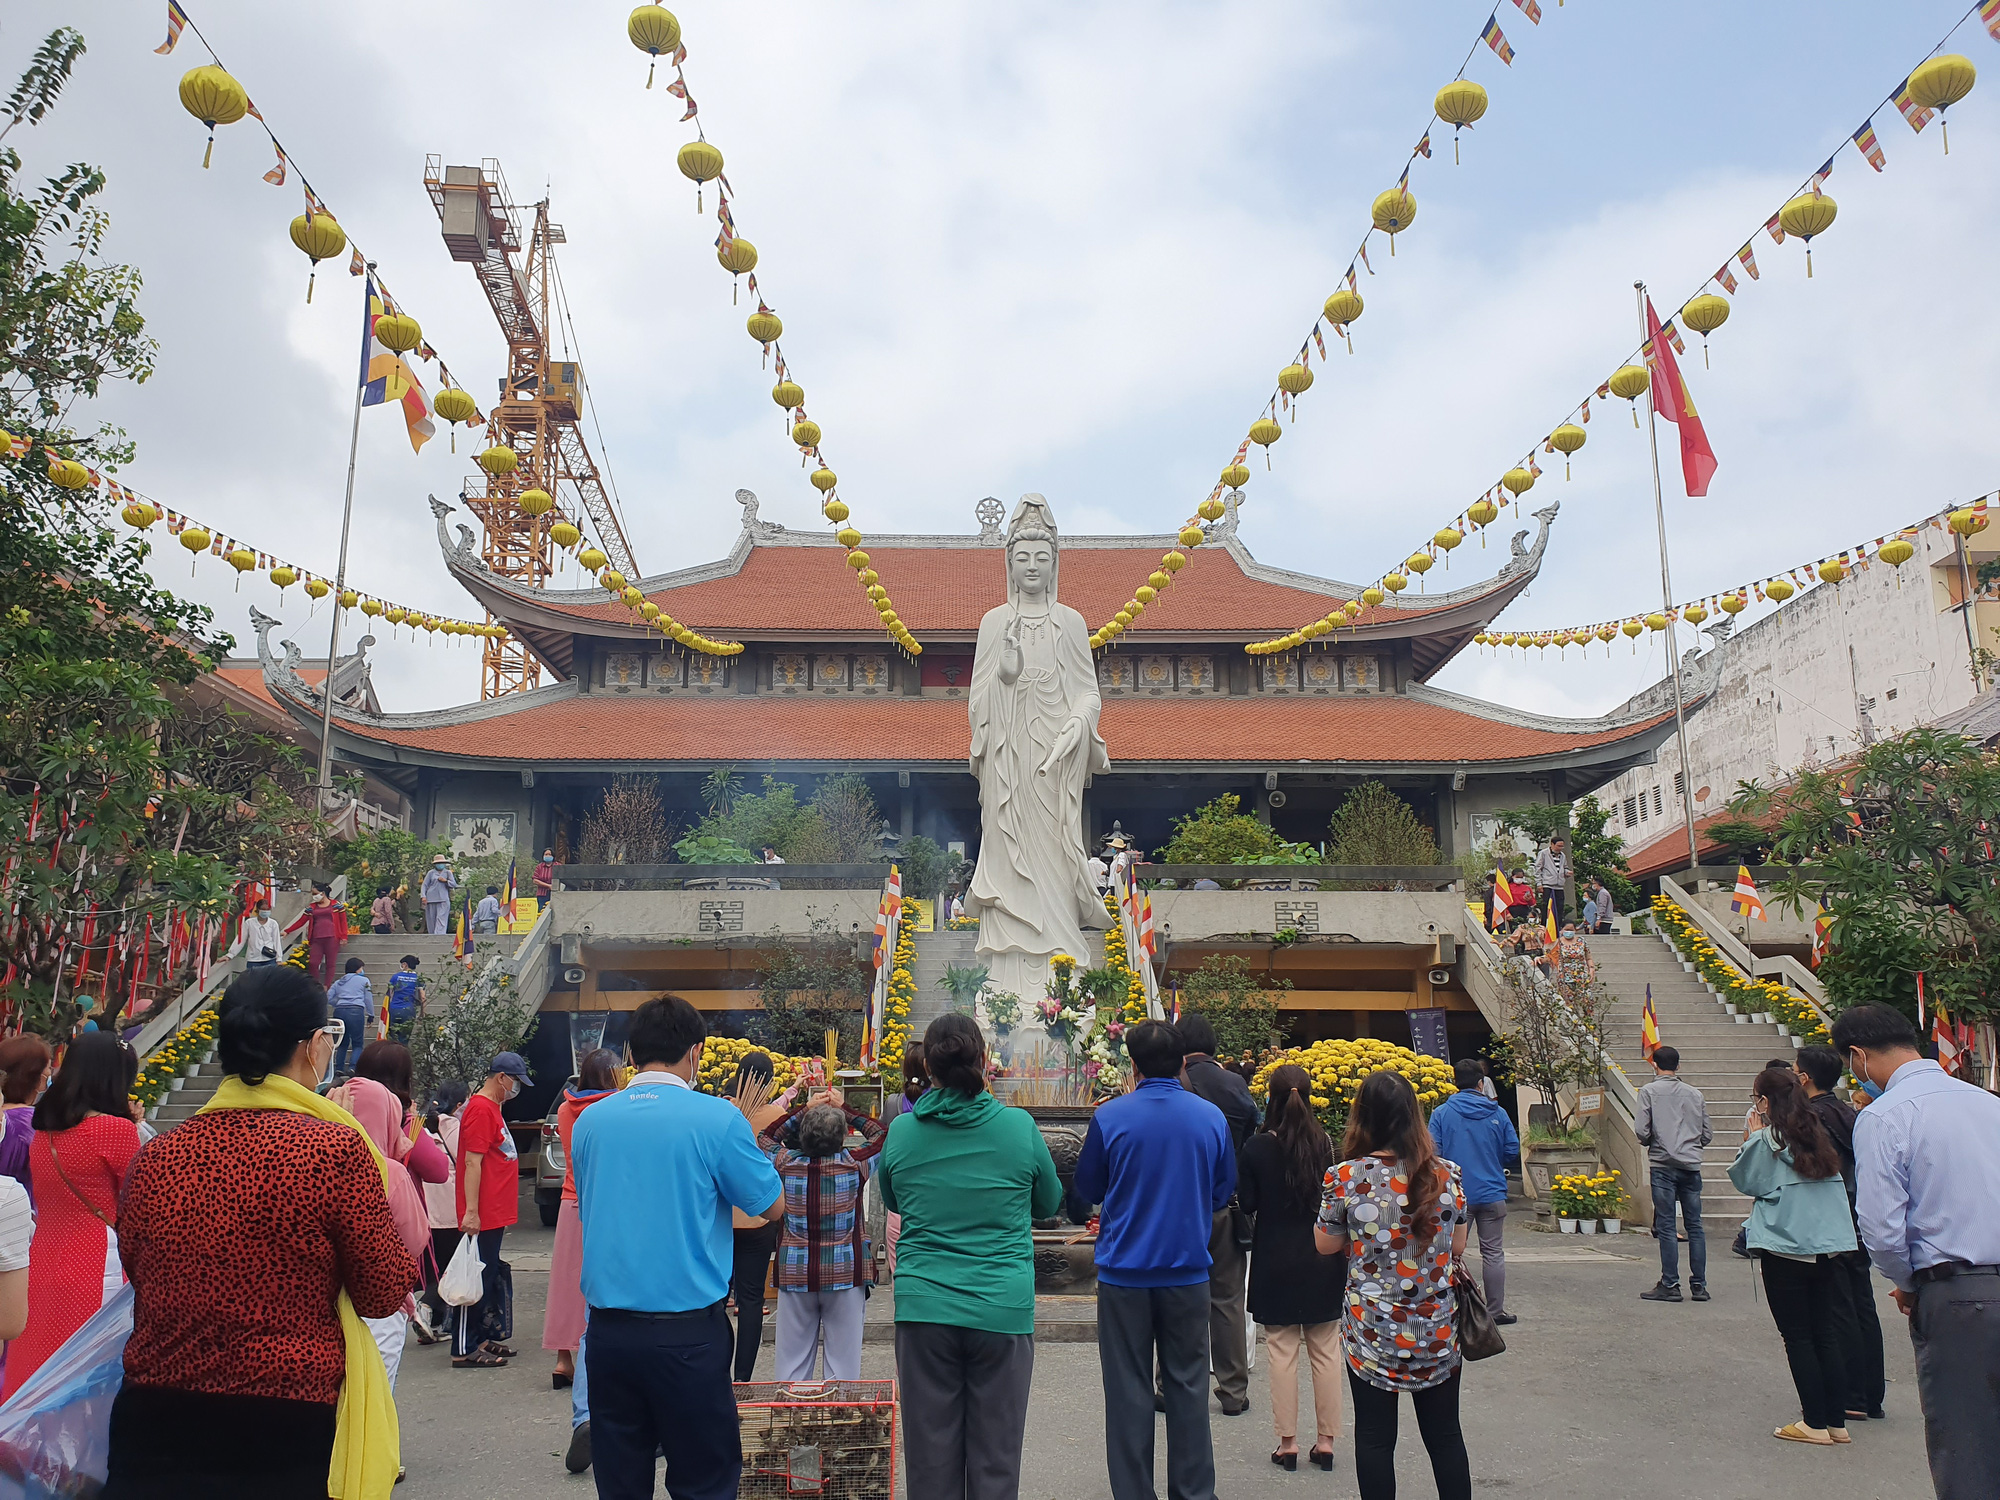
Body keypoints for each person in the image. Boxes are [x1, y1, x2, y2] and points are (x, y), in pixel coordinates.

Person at [101, 964, 412, 1499]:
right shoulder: (333, 1150)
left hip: (155, 1412)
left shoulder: (157, 1157)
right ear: (313, 1047)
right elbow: (383, 1291)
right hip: (283, 1418)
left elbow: (140, 1269)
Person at [570, 995, 783, 1496]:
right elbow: (771, 1206)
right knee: (704, 1481)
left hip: (608, 1335)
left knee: (621, 1481)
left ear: (630, 1052)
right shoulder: (717, 1119)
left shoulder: (590, 1123)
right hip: (688, 1335)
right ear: (696, 1052)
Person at [877, 1013, 1061, 1500]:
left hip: (923, 1307)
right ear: (984, 1060)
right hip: (1001, 1307)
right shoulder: (1018, 1127)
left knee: (929, 1454)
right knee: (996, 1455)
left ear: (929, 1070)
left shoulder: (902, 1133)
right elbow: (1047, 1204)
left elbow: (894, 1200)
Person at [1833, 1002, 2000, 1498]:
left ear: (1859, 1056)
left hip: (1959, 1295)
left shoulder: (1885, 1115)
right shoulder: (1987, 1103)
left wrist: (1906, 1283)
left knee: (1967, 1444)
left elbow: (1882, 1227)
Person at [1073, 1020, 1234, 1500]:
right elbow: (1223, 1191)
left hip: (1124, 1275)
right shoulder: (1210, 1118)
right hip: (1187, 1271)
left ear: (1133, 1064)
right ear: (1183, 1062)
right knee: (1188, 1388)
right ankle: (1193, 1492)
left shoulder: (1110, 1117)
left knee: (1127, 1391)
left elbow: (1087, 1189)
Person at [1315, 1070, 1471, 1500]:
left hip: (1372, 1328)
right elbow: (1457, 1245)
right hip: (1437, 1325)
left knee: (1375, 1439)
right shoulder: (1448, 1174)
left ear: (1362, 1117)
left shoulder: (1344, 1177)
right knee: (1445, 1437)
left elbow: (1326, 1245)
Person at [2, 1033, 142, 1399]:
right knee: (86, 1371)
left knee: (36, 1367)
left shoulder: (44, 1131)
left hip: (43, 1258)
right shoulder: (115, 1130)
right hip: (98, 1262)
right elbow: (136, 1200)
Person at [1729, 1064, 1859, 1444]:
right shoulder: (1816, 1135)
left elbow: (1746, 1181)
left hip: (1786, 1245)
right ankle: (1836, 1422)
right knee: (1825, 1334)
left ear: (1766, 1101)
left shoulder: (1768, 1139)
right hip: (1828, 1245)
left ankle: (1813, 1423)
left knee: (1798, 1337)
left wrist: (1751, 1138)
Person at [1237, 1063, 1345, 1472]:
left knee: (1281, 1352)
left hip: (1274, 1260)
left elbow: (1246, 1203)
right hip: (1322, 1257)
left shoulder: (1257, 1147)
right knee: (1325, 1352)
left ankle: (1288, 1443)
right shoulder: (1326, 1144)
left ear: (1272, 1098)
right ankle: (1327, 1441)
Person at [328, 1070, 439, 1398]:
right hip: (379, 1305)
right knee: (372, 1397)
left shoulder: (305, 1160)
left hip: (318, 1307)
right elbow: (416, 1240)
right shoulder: (390, 1172)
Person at [762, 1094, 887, 1381]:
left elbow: (766, 1136)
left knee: (791, 1367)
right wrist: (845, 1108)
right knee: (843, 1370)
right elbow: (881, 1133)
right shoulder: (855, 1164)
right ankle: (840, 1419)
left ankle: (792, 1415)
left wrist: (803, 1109)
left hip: (795, 1271)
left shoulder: (785, 1163)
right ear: (842, 1136)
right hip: (845, 1272)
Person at [1173, 1013, 1259, 1416]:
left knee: (1174, 1296)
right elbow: (1254, 1127)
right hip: (1224, 1206)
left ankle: (1167, 1383)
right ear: (1212, 1045)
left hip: (1176, 1210)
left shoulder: (1171, 1086)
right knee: (1226, 1299)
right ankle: (1233, 1390)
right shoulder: (1234, 1083)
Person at [1796, 1044, 1885, 1421]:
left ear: (1805, 1077)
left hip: (1835, 1217)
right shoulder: (1849, 1113)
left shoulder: (1813, 1118)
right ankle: (1871, 1393)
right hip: (1858, 1212)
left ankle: (1852, 1395)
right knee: (1862, 1303)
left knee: (1839, 1306)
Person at [545, 1048, 620, 1395]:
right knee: (601, 1281)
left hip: (570, 1198)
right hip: (603, 1202)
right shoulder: (612, 1109)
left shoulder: (564, 1108)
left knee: (566, 1281)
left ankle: (563, 1360)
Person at [1427, 1057, 1521, 1326]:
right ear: (1481, 1084)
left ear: (1454, 1084)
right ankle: (1495, 1310)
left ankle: (1448, 1308)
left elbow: (1434, 1154)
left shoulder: (1442, 1113)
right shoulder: (1498, 1113)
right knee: (1493, 1252)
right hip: (1492, 1193)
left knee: (1449, 1252)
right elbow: (1512, 1150)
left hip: (1456, 1195)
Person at [453, 1051, 528, 1370]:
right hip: (482, 1211)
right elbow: (473, 1161)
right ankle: (464, 1345)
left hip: (493, 1209)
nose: (516, 1089)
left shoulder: (491, 1107)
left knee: (486, 1273)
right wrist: (471, 1210)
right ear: (502, 1078)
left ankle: (480, 1337)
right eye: (515, 1082)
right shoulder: (482, 1109)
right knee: (475, 1274)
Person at [727, 1051, 792, 1384]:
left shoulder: (723, 1110)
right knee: (751, 1301)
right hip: (760, 1217)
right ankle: (742, 1380)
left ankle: (714, 1372)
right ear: (767, 1083)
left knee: (713, 1299)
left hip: (722, 1220)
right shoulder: (777, 1116)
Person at [1634, 1044, 1713, 1302]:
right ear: (1678, 1066)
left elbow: (1642, 1131)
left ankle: (1670, 1284)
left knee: (1667, 1226)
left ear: (1654, 1064)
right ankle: (1699, 1285)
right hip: (1691, 1164)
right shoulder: (1695, 1094)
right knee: (1695, 1226)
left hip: (1663, 1164)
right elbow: (1707, 1134)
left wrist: (1653, 1142)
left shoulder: (1648, 1092)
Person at [420, 1081, 469, 1341]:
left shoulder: (424, 1128)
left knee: (436, 1265)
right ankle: (426, 1307)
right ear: (459, 1105)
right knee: (450, 1268)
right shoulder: (458, 1129)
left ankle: (434, 1326)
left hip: (428, 1207)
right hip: (451, 1206)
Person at [882, 1043, 927, 1280]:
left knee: (902, 1280)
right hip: (933, 1205)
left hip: (899, 1204)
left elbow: (882, 1152)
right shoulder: (947, 1106)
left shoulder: (893, 1104)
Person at [0, 1035, 53, 1200]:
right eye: (49, 1068)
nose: (51, 1073)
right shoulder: (34, 1122)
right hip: (22, 1213)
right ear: (35, 1078)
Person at [284, 886, 347, 987]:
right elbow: (301, 921)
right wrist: (288, 930)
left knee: (330, 963)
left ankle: (327, 985)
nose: (314, 896)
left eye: (315, 893)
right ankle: (316, 985)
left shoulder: (336, 905)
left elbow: (343, 921)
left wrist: (344, 936)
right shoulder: (311, 907)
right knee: (313, 963)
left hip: (332, 937)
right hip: (316, 938)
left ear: (322, 893)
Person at [325, 958, 372, 1077]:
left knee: (342, 1042)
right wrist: (371, 1015)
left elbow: (329, 997)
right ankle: (352, 1067)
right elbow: (368, 999)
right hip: (356, 1011)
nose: (362, 970)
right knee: (357, 1043)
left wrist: (339, 1003)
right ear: (357, 969)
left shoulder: (338, 982)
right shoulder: (364, 980)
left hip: (340, 1012)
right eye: (361, 968)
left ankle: (339, 1068)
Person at [227, 899, 283, 968]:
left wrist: (279, 958)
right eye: (263, 909)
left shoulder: (273, 923)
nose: (265, 911)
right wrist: (230, 955)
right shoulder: (249, 923)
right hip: (253, 960)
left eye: (267, 909)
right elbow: (241, 939)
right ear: (258, 909)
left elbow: (276, 941)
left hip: (269, 959)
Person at [385, 956, 424, 1043]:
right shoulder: (418, 979)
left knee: (392, 1039)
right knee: (404, 1039)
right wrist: (422, 1014)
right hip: (409, 1010)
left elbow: (388, 995)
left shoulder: (395, 977)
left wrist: (386, 1011)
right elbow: (423, 997)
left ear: (404, 964)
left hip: (394, 1009)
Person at [1534, 836, 1567, 928]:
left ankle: (1557, 927)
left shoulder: (1563, 855)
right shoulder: (1544, 853)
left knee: (1559, 908)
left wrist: (1566, 872)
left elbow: (1564, 867)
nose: (1560, 848)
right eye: (1558, 846)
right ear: (1552, 844)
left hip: (1559, 885)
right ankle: (1545, 927)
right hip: (1547, 884)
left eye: (1562, 846)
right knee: (1547, 907)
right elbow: (1537, 868)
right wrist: (1539, 883)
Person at [421, 854, 458, 937]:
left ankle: (440, 936)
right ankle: (432, 936)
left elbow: (454, 884)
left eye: (441, 863)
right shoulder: (431, 873)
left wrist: (445, 881)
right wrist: (423, 896)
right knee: (431, 919)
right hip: (431, 899)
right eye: (438, 863)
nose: (440, 864)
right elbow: (424, 885)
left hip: (443, 899)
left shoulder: (448, 873)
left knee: (441, 918)